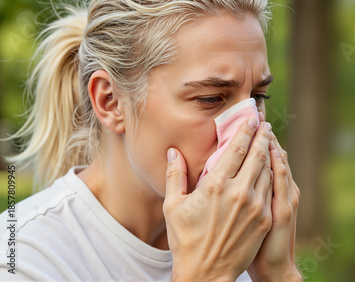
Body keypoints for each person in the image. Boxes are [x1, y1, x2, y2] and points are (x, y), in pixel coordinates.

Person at [0, 0, 301, 281]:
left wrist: (279, 274)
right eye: (211, 98)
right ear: (111, 102)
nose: (248, 131)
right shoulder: (24, 259)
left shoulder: (244, 237)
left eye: (257, 97)